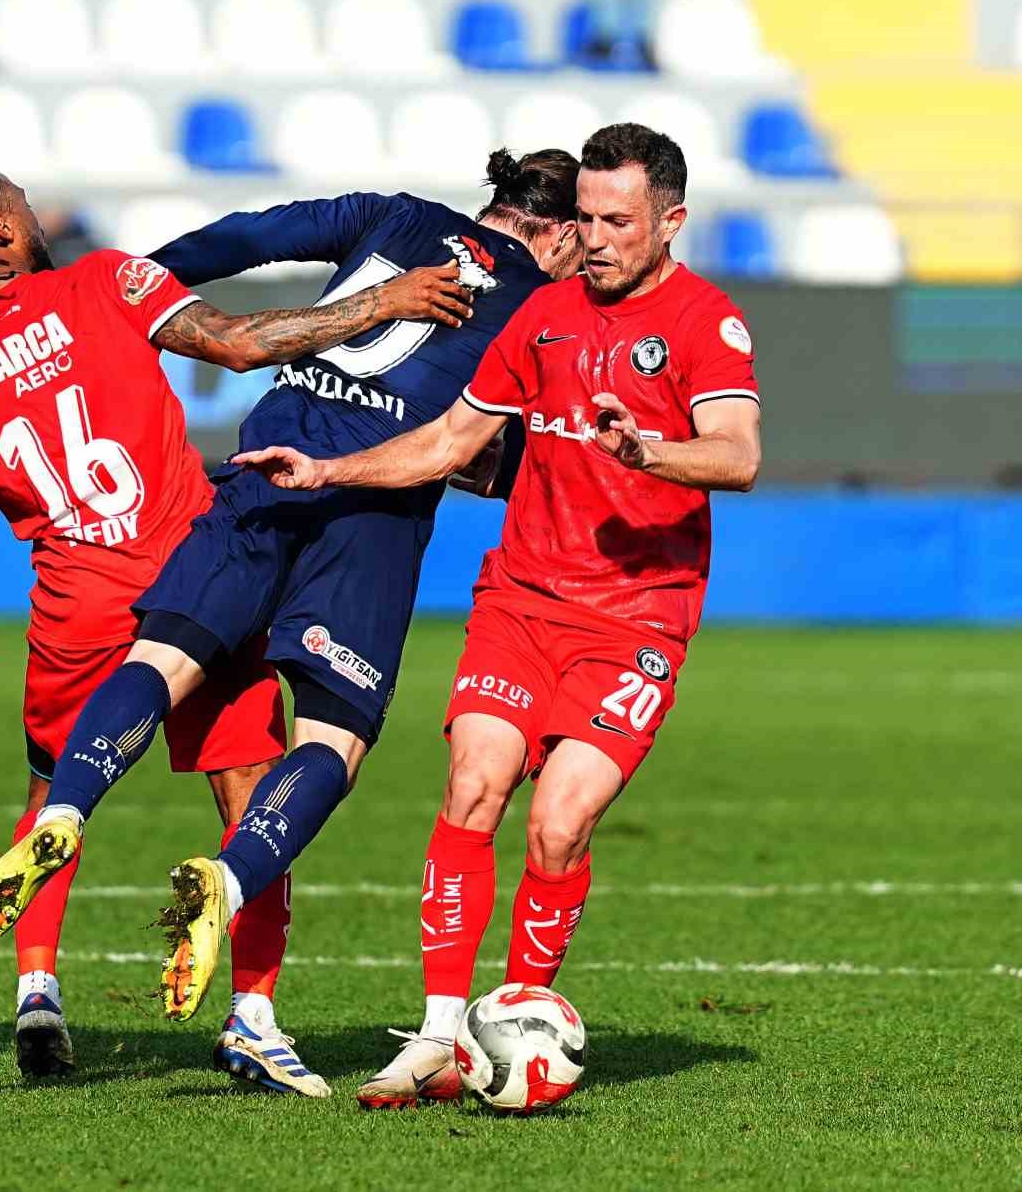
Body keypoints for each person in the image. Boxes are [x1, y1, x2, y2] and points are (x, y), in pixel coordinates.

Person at [0, 148, 587, 1064]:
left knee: (159, 661)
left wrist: (141, 289)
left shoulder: (390, 212)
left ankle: (67, 810)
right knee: (330, 739)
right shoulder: (549, 303)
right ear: (563, 231)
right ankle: (230, 878)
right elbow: (502, 452)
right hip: (368, 514)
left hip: (263, 464)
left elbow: (251, 237)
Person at [231, 123, 763, 1107]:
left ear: (670, 222)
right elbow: (448, 440)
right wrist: (329, 468)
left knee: (557, 824)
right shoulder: (542, 315)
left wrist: (648, 451)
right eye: (585, 219)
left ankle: (515, 1014)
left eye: (617, 220)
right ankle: (440, 1034)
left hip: (636, 621)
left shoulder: (704, 322)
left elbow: (735, 454)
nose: (594, 237)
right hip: (522, 601)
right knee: (474, 783)